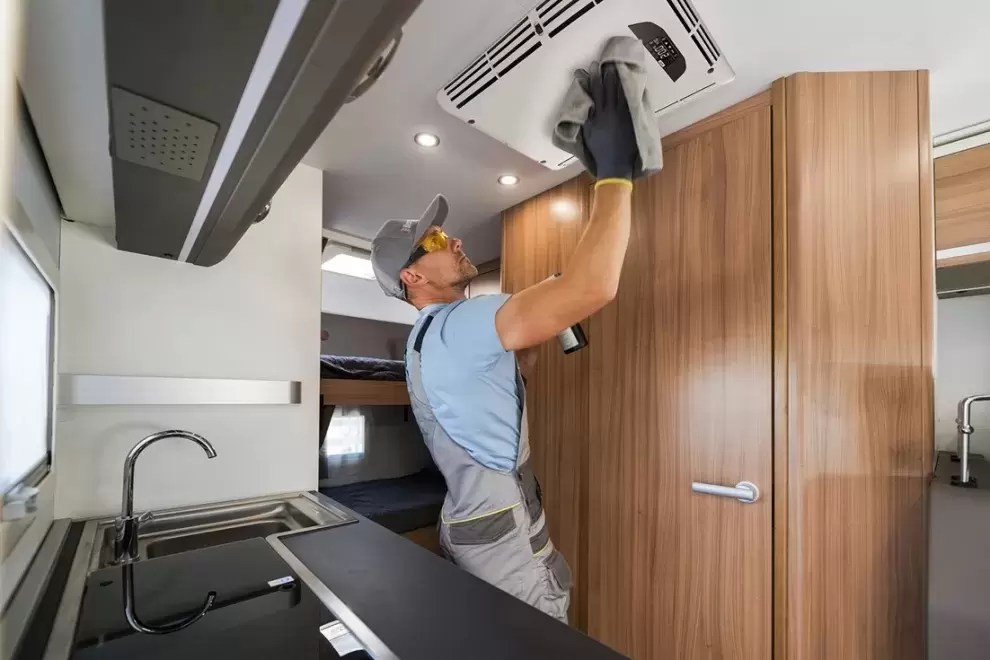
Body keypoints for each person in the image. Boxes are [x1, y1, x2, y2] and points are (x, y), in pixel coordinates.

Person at [369, 64, 640, 623]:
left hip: (469, 522)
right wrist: (615, 172)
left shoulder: (424, 340)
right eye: (435, 240)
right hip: (504, 536)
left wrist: (527, 339)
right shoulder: (462, 320)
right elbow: (595, 286)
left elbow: (489, 396)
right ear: (412, 277)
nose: (454, 239)